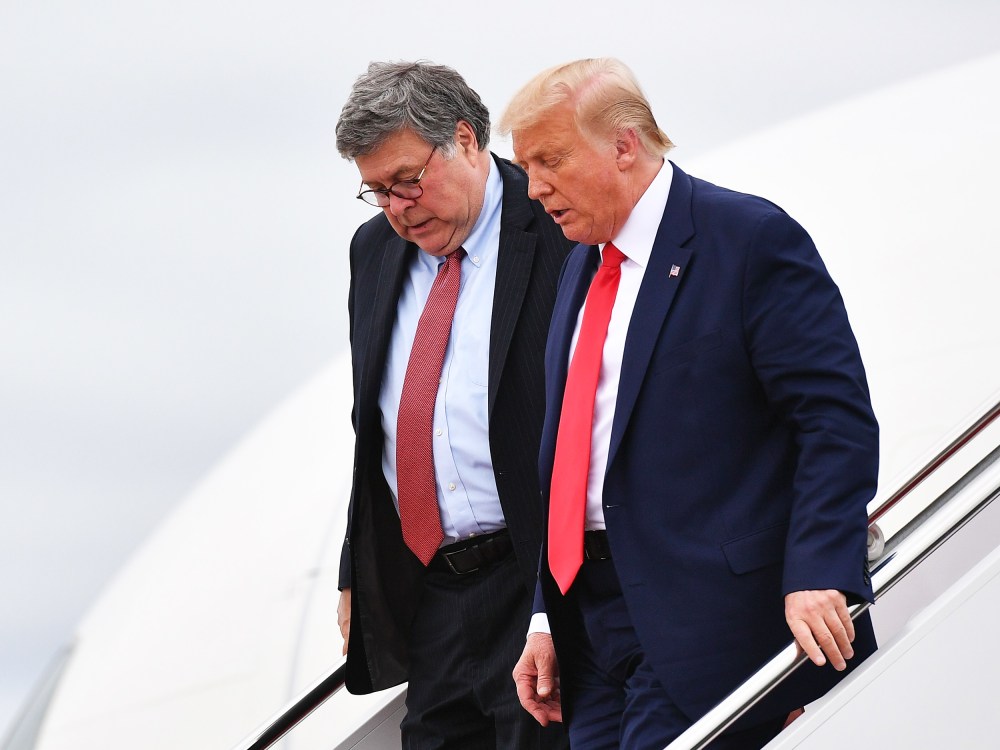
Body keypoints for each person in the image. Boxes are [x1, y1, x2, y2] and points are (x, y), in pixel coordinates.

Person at [497, 58, 879, 749]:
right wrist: (545, 617)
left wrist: (823, 568)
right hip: (592, 628)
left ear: (623, 144)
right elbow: (573, 460)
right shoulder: (580, 263)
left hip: (713, 621)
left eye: (550, 161)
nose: (534, 189)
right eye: (525, 168)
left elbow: (834, 421)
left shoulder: (748, 239)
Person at [334, 61, 572, 750]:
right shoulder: (373, 251)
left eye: (408, 180)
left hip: (538, 581)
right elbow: (374, 421)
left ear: (466, 139)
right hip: (434, 593)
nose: (398, 207)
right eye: (376, 191)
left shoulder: (556, 218)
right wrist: (358, 565)